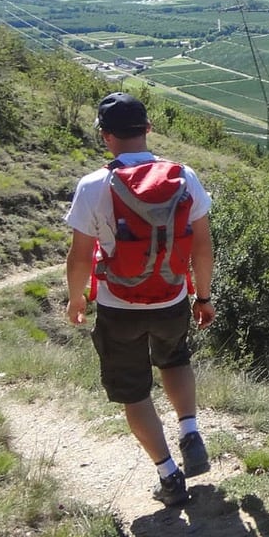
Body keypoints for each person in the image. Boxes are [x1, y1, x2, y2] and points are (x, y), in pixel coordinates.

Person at [64, 92, 216, 506]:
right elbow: (203, 248)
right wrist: (202, 297)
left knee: (134, 392)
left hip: (119, 307)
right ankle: (189, 430)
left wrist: (76, 300)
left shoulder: (94, 185)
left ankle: (169, 476)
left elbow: (80, 255)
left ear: (104, 135)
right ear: (148, 129)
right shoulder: (185, 176)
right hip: (172, 298)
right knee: (176, 358)